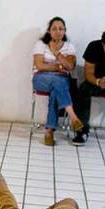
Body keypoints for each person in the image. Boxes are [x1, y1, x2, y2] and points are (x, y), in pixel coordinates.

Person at [32, 17, 83, 147]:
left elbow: (70, 66)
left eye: (61, 29)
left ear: (65, 31)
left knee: (57, 87)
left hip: (61, 80)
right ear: (49, 31)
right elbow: (40, 65)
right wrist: (59, 67)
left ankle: (49, 132)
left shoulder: (69, 46)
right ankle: (73, 118)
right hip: (41, 78)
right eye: (54, 28)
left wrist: (55, 52)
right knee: (58, 81)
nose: (58, 31)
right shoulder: (41, 44)